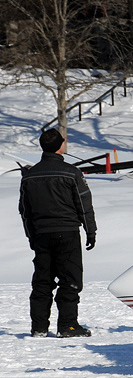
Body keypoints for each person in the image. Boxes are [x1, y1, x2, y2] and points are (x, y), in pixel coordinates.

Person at [18, 129, 97, 337]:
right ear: (60, 146)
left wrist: (32, 236)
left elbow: (24, 211)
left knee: (42, 281)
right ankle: (68, 326)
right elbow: (83, 204)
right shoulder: (71, 172)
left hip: (42, 235)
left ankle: (39, 328)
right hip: (67, 232)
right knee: (70, 280)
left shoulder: (29, 176)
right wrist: (91, 231)